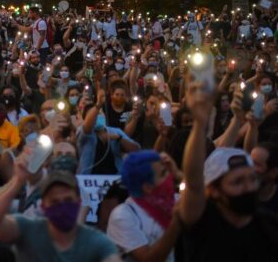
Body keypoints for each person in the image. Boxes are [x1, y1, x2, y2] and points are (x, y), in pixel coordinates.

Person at [178, 81, 278, 261]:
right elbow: (193, 181)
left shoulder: (267, 224)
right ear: (214, 190)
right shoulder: (202, 222)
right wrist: (200, 122)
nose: (248, 187)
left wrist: (250, 124)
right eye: (237, 182)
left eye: (251, 179)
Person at [0, 154, 121, 262]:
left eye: (68, 200)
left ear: (78, 202)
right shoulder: (27, 229)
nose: (62, 206)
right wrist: (17, 182)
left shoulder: (97, 242)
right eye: (55, 202)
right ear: (43, 206)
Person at [107, 150, 182, 262]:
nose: (170, 176)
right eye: (163, 173)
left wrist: (179, 174)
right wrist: (176, 220)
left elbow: (206, 198)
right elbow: (149, 259)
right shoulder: (123, 216)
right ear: (147, 187)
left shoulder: (175, 200)